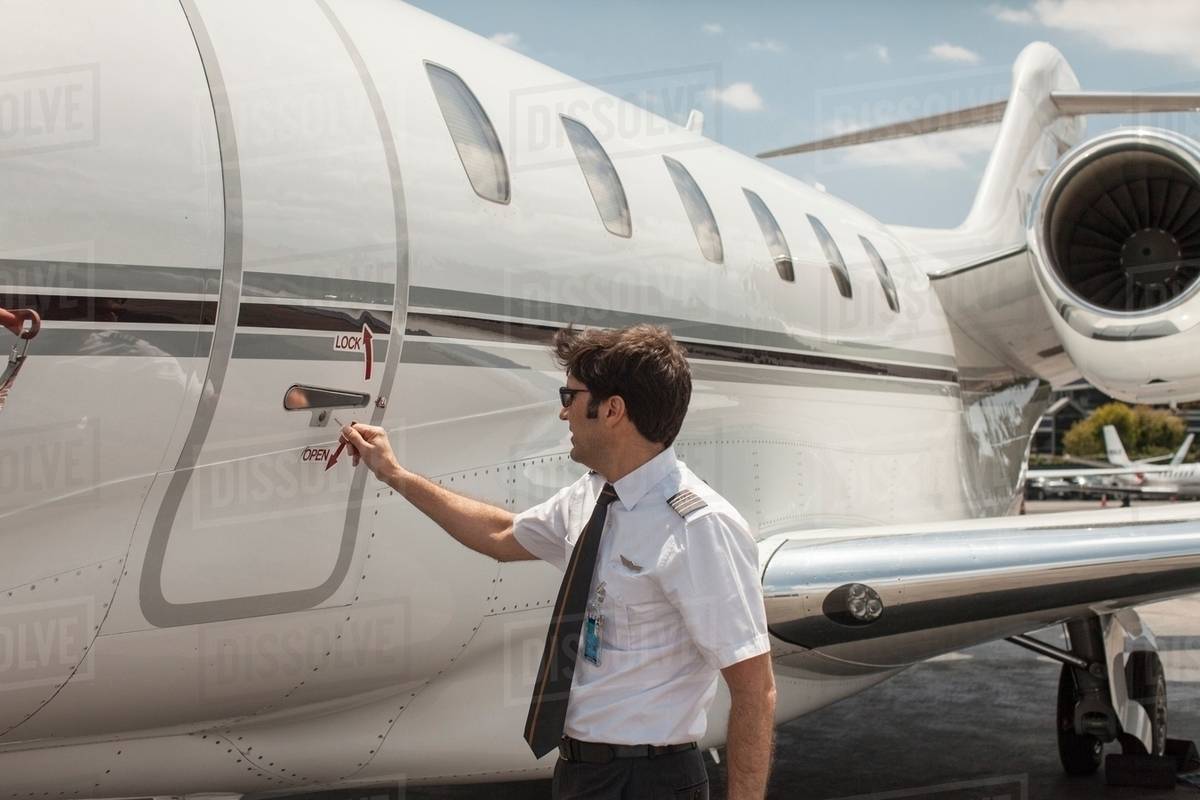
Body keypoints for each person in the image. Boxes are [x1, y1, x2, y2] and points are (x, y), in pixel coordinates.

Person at [340, 324, 775, 800]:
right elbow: (500, 534)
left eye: (570, 395)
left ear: (612, 410)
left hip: (649, 781)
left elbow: (755, 688)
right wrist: (395, 474)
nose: (563, 411)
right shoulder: (590, 495)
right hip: (579, 772)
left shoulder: (698, 527)